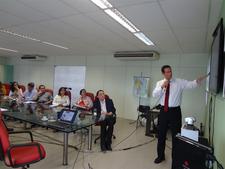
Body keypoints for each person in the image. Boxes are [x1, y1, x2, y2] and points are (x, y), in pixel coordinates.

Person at [152, 65, 207, 168]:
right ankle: (160, 156)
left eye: (170, 71)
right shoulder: (160, 83)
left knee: (176, 136)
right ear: (163, 73)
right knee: (161, 134)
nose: (169, 73)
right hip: (163, 111)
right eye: (167, 72)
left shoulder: (179, 82)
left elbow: (190, 85)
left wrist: (196, 81)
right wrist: (162, 86)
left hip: (175, 111)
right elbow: (154, 94)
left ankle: (175, 157)